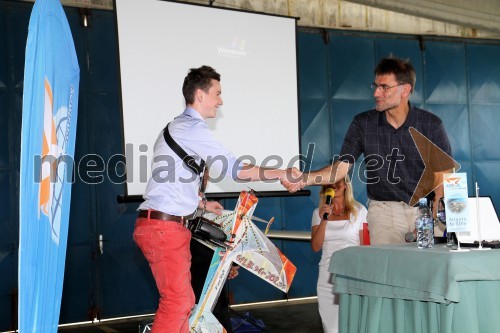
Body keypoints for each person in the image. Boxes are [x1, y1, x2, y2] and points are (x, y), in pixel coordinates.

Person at [133, 65, 290, 333]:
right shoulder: (191, 128)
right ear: (200, 95)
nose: (221, 100)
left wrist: (202, 204)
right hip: (164, 229)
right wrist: (281, 172)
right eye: (217, 93)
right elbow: (237, 169)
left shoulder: (178, 128)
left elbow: (172, 182)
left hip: (166, 226)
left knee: (184, 304)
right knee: (178, 302)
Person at [283, 56, 454, 245]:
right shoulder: (363, 123)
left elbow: (444, 176)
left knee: (427, 271)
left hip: (425, 209)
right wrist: (304, 178)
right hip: (384, 211)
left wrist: (432, 215)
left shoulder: (431, 124)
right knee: (388, 272)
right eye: (376, 86)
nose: (376, 93)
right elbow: (340, 169)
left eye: (385, 87)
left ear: (405, 89)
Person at [311, 176, 367, 333]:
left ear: (345, 185)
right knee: (331, 327)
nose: (333, 184)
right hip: (327, 275)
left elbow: (365, 247)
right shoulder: (318, 213)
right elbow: (315, 247)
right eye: (329, 182)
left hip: (352, 273)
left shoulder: (360, 211)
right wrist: (324, 220)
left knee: (354, 323)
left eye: (337, 181)